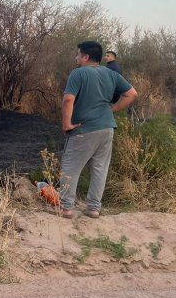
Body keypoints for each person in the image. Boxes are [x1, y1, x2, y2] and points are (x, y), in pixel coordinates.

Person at [58, 41, 138, 219]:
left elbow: (68, 100)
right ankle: (93, 208)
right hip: (107, 128)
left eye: (78, 54)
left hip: (84, 129)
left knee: (70, 168)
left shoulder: (78, 74)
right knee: (100, 168)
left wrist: (66, 125)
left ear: (86, 57)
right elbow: (132, 94)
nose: (76, 57)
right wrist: (113, 109)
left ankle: (66, 208)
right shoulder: (111, 73)